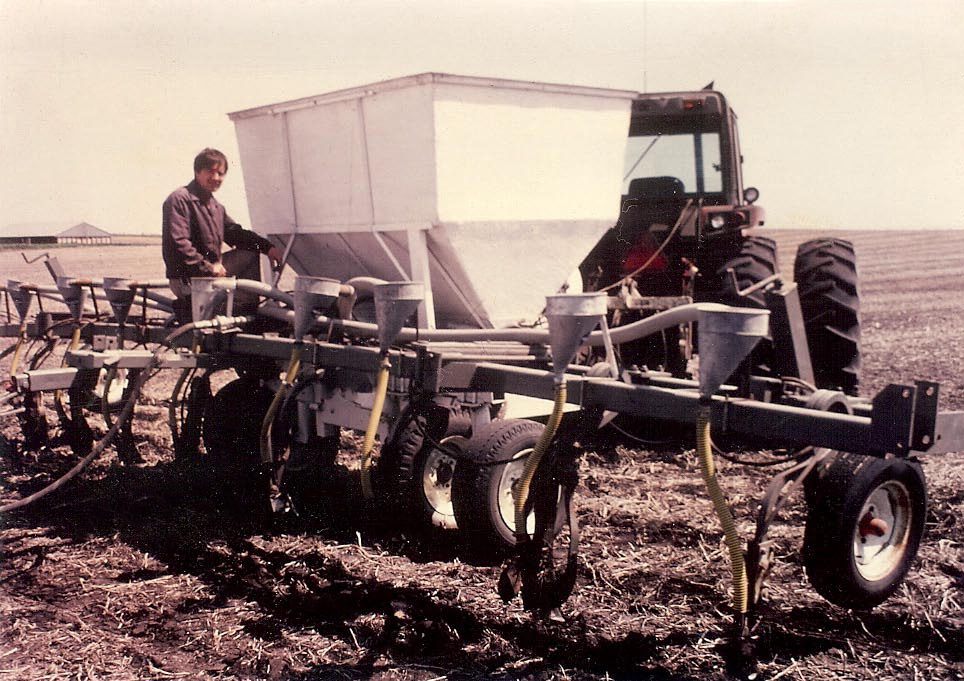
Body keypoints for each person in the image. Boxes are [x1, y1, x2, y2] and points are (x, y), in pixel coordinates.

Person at [162, 148, 282, 306]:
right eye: (210, 172)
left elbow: (235, 233)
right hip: (187, 278)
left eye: (221, 173)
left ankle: (245, 309)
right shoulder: (179, 199)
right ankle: (221, 308)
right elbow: (179, 243)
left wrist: (268, 248)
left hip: (212, 272)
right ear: (197, 172)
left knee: (250, 252)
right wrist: (208, 267)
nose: (216, 177)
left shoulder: (216, 208)